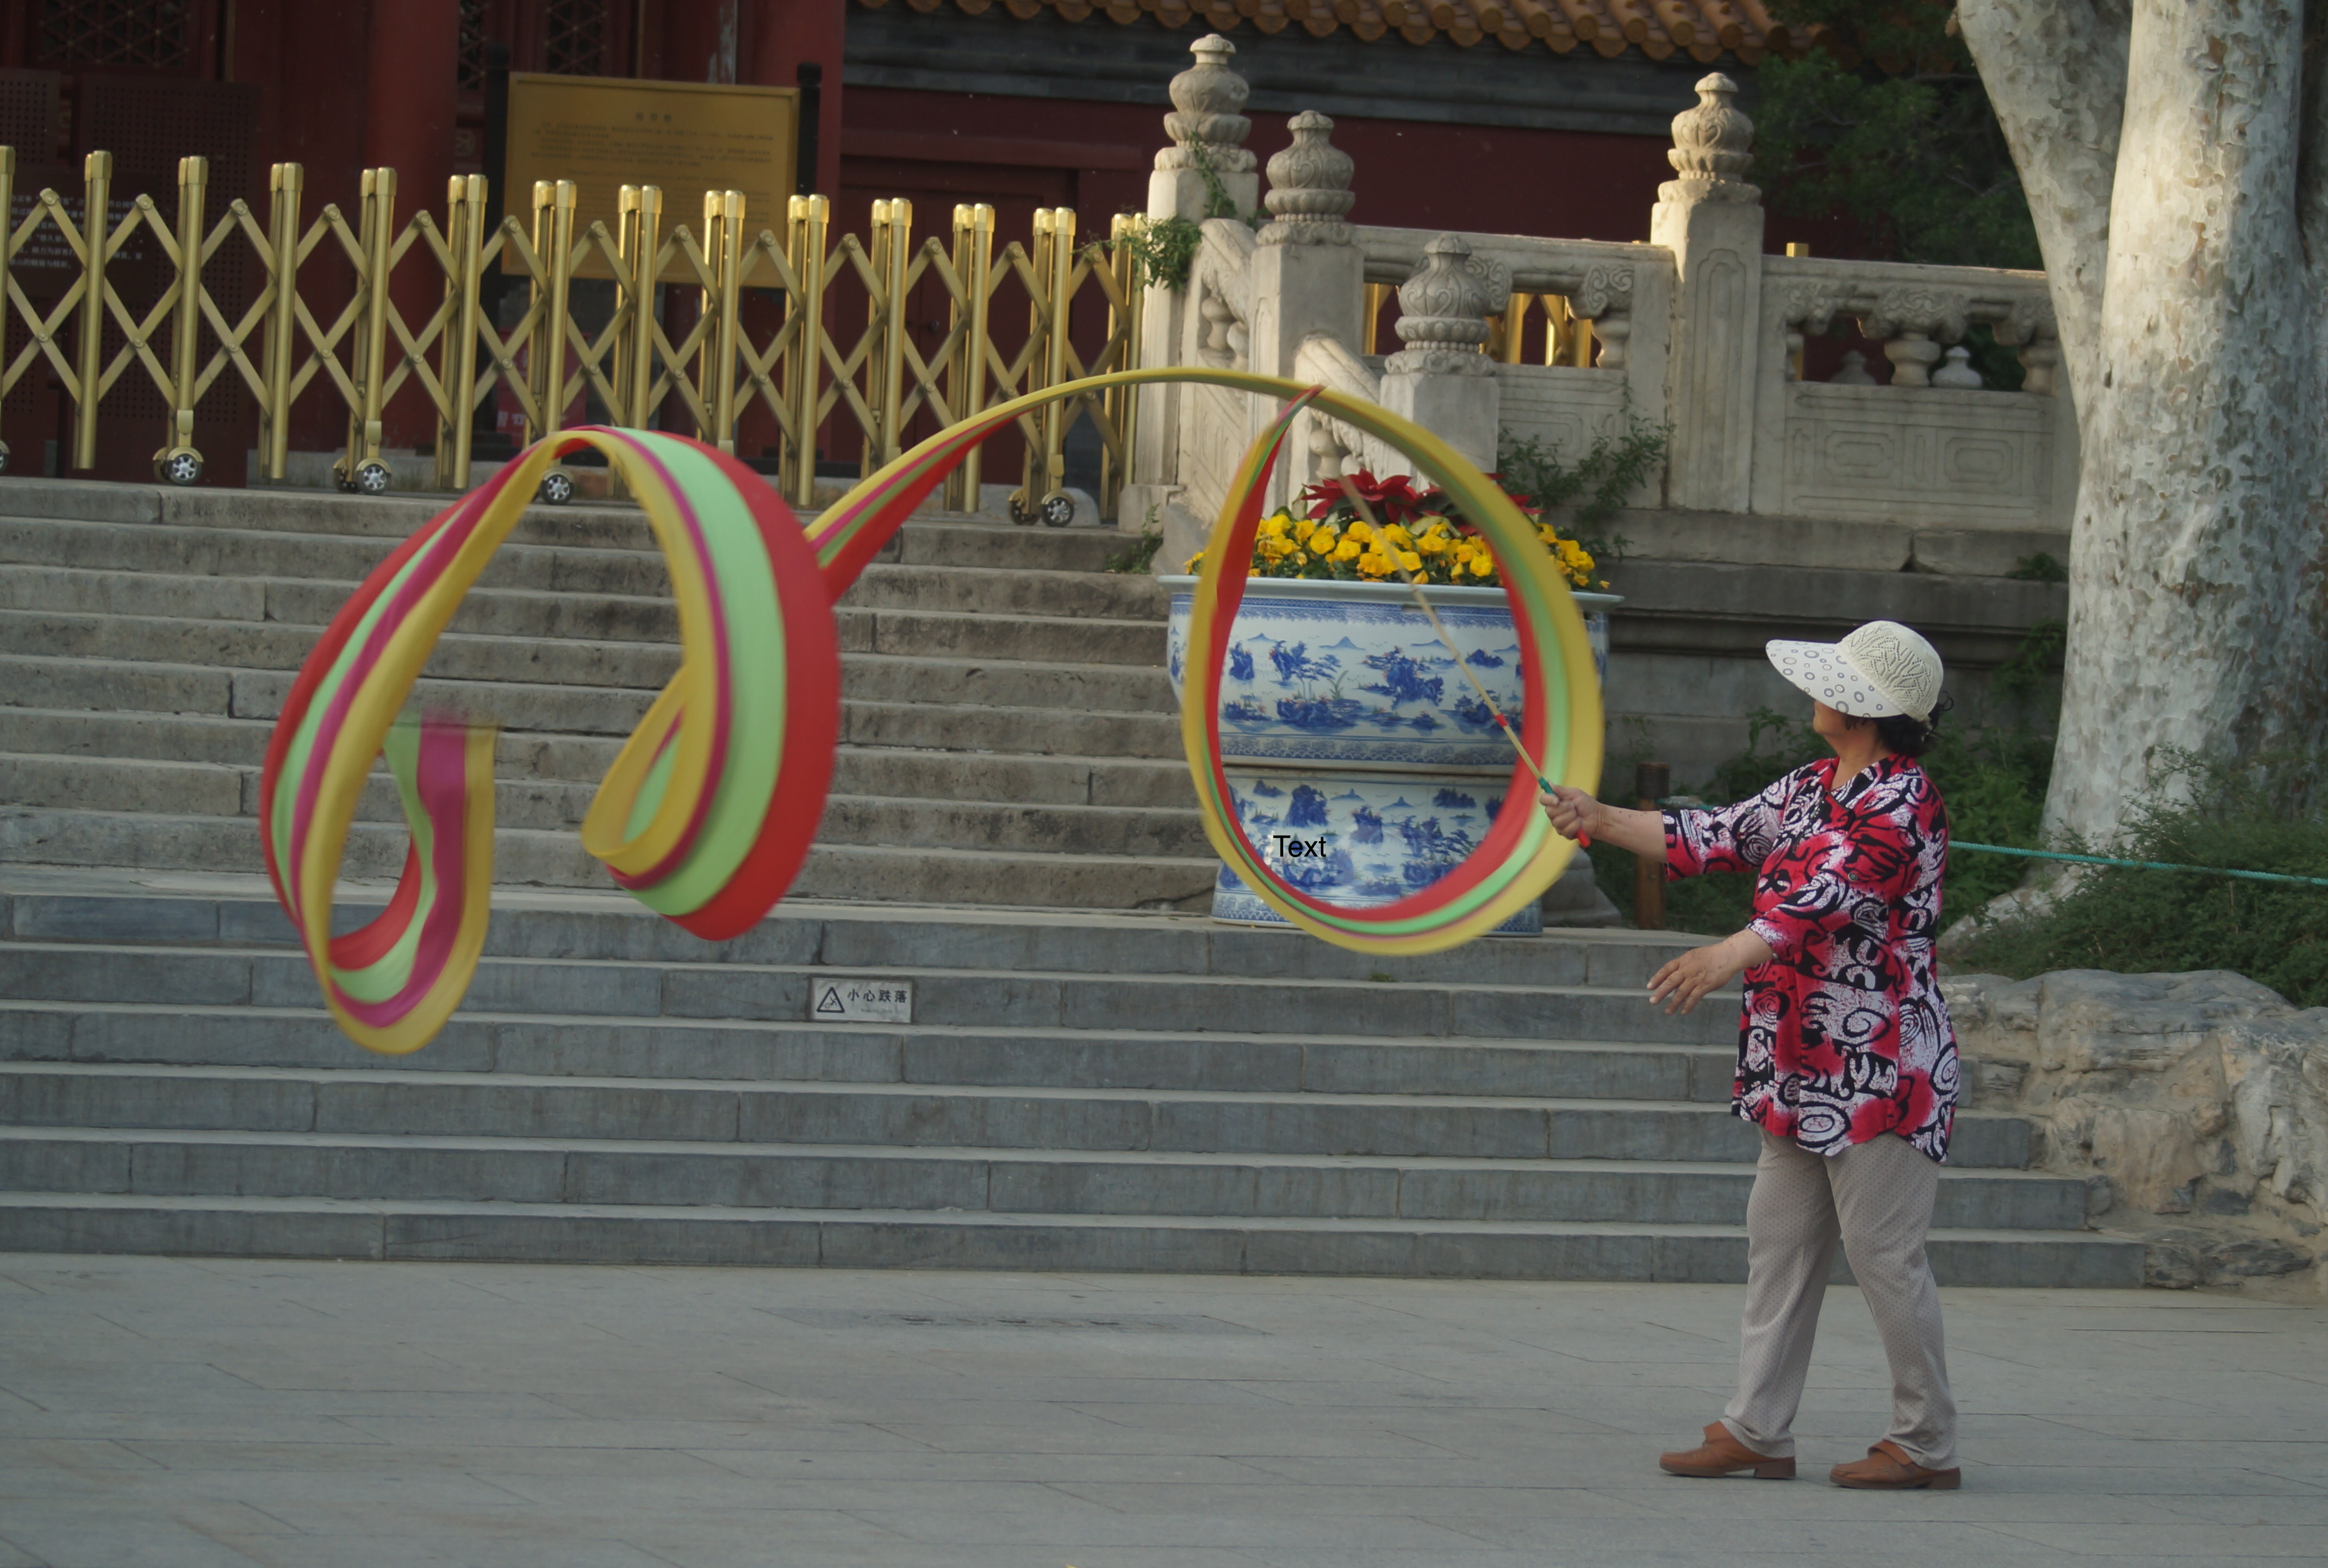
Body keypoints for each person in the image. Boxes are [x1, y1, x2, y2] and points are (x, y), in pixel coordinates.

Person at [1541, 620, 1963, 1491]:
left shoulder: (1902, 798)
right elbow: (1714, 834)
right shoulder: (1813, 785)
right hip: (1797, 1059)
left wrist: (1724, 954)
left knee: (1883, 1255)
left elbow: (1828, 895)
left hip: (1881, 1067)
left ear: (1860, 707)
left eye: (1831, 682)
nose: (1814, 692)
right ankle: (1757, 1427)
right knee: (1776, 1241)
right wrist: (1598, 818)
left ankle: (1924, 1441)